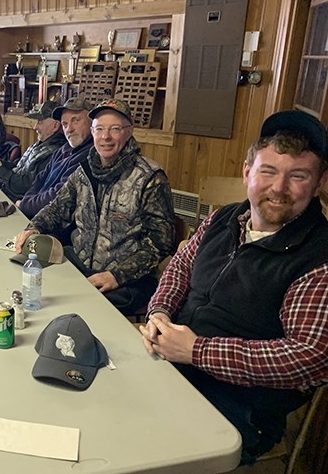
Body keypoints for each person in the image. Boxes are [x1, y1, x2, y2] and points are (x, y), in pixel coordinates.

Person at [139, 110, 328, 464]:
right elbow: (180, 268)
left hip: (239, 408)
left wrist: (196, 351)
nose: (278, 188)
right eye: (268, 171)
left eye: (298, 176)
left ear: (318, 183)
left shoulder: (319, 257)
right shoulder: (222, 219)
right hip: (170, 366)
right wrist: (159, 313)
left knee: (137, 451)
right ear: (247, 173)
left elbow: (307, 357)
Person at [15, 98, 174, 314]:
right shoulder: (84, 171)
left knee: (65, 310)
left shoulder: (150, 178)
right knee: (28, 280)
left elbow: (160, 243)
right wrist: (33, 227)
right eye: (100, 129)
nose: (106, 137)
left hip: (124, 281)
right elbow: (57, 208)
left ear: (129, 132)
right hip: (78, 266)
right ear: (93, 132)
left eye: (115, 129)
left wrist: (117, 275)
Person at [16, 97, 94, 219]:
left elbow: (57, 195)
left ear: (92, 123)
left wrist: (25, 205)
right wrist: (26, 202)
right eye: (65, 124)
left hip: (52, 225)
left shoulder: (89, 156)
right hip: (34, 215)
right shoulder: (64, 149)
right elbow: (39, 180)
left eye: (76, 120)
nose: (69, 129)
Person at [0, 101, 66, 202]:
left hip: (15, 202)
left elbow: (26, 186)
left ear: (56, 125)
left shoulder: (54, 154)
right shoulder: (42, 143)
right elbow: (19, 168)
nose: (35, 127)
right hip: (6, 192)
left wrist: (0, 168)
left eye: (40, 122)